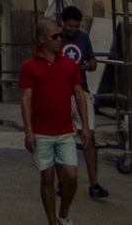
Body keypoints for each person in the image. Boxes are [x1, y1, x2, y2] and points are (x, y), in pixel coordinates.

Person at [19, 17, 93, 225]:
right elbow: (25, 99)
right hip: (41, 131)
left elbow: (79, 96)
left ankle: (63, 213)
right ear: (42, 39)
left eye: (60, 34)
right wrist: (29, 131)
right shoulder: (29, 66)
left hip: (64, 130)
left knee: (71, 175)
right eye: (55, 36)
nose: (60, 38)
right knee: (47, 177)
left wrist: (85, 127)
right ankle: (52, 220)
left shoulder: (69, 65)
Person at [60, 6, 108, 199]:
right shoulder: (56, 38)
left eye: (76, 26)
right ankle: (63, 182)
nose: (73, 29)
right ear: (63, 23)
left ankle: (94, 183)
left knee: (89, 137)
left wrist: (88, 65)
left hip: (81, 90)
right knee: (61, 139)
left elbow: (94, 62)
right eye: (70, 25)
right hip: (61, 93)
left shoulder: (83, 39)